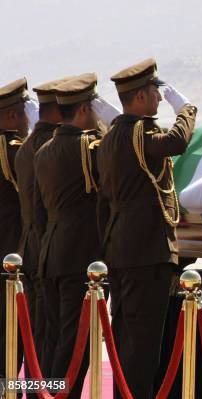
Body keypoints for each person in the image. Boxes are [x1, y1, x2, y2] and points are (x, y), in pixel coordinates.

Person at [97, 58, 197, 398]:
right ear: (140, 97)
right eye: (155, 92)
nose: (158, 98)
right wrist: (185, 109)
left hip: (121, 248)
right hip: (144, 251)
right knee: (141, 343)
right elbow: (176, 142)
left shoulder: (111, 137)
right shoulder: (139, 134)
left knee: (126, 334)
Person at [33, 73, 116, 398]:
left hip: (50, 256)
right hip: (79, 260)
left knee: (56, 341)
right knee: (74, 347)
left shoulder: (43, 151)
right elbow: (116, 146)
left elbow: (40, 213)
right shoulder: (86, 147)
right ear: (84, 110)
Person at [14, 76, 71, 376]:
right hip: (51, 251)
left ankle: (36, 393)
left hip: (32, 249)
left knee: (40, 336)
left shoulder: (26, 148)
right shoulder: (51, 147)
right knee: (57, 336)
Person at [0, 77, 29, 383]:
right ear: (10, 117)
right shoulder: (12, 152)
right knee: (12, 342)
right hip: (11, 262)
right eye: (23, 114)